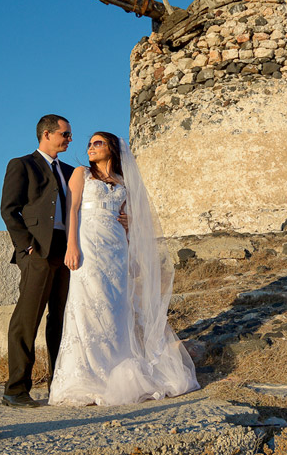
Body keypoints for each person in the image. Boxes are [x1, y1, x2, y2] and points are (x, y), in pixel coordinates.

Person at [48, 131, 199, 406]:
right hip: (88, 246)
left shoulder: (123, 182)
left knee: (117, 309)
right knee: (87, 307)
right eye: (89, 144)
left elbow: (133, 220)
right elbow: (72, 209)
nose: (90, 148)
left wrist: (130, 228)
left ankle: (115, 374)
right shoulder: (82, 174)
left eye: (98, 143)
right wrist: (72, 246)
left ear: (113, 149)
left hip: (116, 249)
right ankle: (88, 377)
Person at [0, 114, 75, 408]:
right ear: (47, 134)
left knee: (60, 319)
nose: (69, 139)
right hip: (37, 252)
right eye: (65, 134)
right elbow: (9, 210)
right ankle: (16, 389)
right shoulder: (22, 164)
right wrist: (28, 246)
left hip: (66, 252)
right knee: (26, 320)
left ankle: (60, 384)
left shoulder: (70, 171)